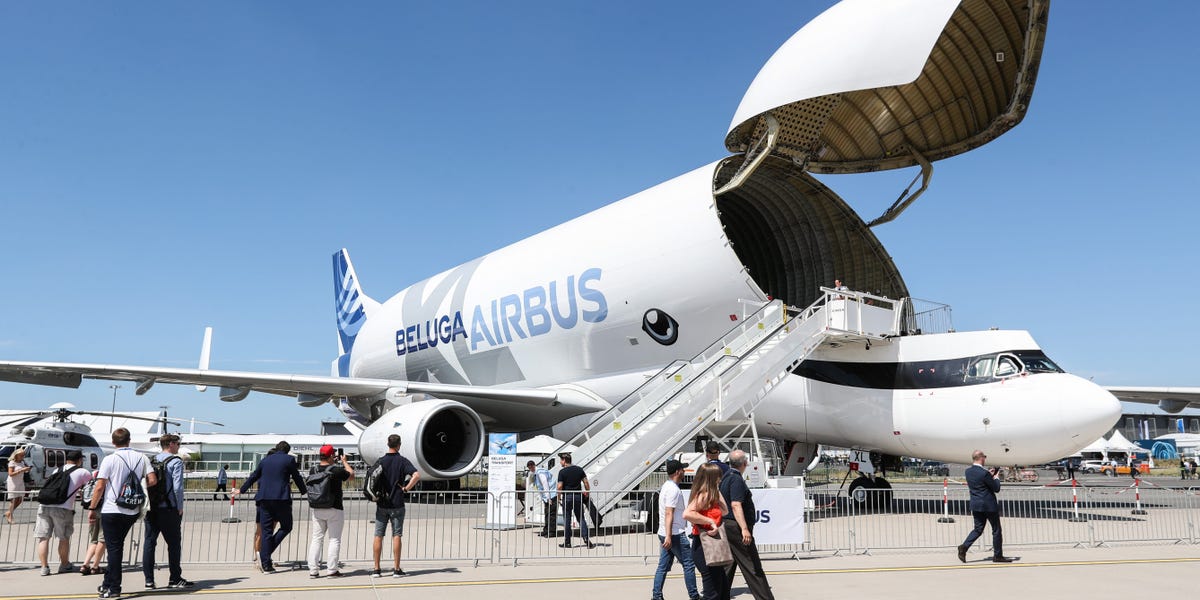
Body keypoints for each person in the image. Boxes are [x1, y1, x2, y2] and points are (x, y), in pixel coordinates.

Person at [89, 427, 157, 599]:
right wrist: (138, 488)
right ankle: (106, 583)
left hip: (112, 509)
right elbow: (152, 480)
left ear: (113, 442)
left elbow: (100, 486)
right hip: (132, 510)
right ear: (129, 440)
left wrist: (92, 508)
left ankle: (115, 587)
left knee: (114, 550)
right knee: (117, 546)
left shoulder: (110, 459)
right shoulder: (142, 458)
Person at [234, 441, 306, 573]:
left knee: (266, 531)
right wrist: (304, 490)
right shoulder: (289, 459)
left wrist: (242, 490)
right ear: (287, 451)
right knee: (286, 526)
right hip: (281, 499)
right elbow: (296, 477)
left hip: (264, 499)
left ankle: (266, 564)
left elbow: (254, 476)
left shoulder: (265, 460)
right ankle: (264, 555)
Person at [719, 450, 775, 600]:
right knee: (752, 566)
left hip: (727, 525)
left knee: (729, 565)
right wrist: (744, 529)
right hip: (736, 528)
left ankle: (718, 595)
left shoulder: (725, 477)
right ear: (744, 463)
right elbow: (736, 505)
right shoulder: (736, 479)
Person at [142, 433, 192, 590]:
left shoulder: (153, 460)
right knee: (174, 544)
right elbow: (177, 486)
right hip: (168, 508)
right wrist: (179, 506)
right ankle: (175, 578)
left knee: (149, 542)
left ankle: (149, 580)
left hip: (152, 508)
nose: (178, 446)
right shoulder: (175, 461)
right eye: (177, 443)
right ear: (171, 444)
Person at [34, 449, 92, 576]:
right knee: (63, 538)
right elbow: (90, 487)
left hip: (44, 505)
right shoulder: (83, 472)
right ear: (80, 460)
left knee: (44, 538)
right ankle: (65, 565)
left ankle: (44, 567)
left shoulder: (57, 470)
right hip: (63, 508)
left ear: (67, 459)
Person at [371, 434, 420, 578]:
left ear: (388, 444)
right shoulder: (402, 461)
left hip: (382, 503)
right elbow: (416, 475)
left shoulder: (381, 461)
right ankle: (397, 569)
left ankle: (376, 569)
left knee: (378, 536)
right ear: (399, 445)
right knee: (396, 535)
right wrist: (406, 488)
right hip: (397, 503)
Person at [651, 459, 699, 600]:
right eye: (683, 469)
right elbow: (669, 513)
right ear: (678, 472)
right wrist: (669, 536)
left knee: (663, 566)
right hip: (674, 534)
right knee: (689, 564)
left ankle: (656, 595)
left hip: (665, 532)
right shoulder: (673, 490)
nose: (684, 472)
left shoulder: (666, 486)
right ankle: (694, 595)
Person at [957, 449, 1013, 564]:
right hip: (989, 505)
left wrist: (990, 475)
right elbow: (996, 488)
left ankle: (964, 547)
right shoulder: (984, 473)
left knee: (978, 529)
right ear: (981, 458)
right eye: (985, 457)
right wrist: (996, 477)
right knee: (996, 530)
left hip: (976, 504)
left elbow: (981, 482)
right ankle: (998, 555)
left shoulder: (968, 472)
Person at [683, 463, 730, 600]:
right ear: (711, 478)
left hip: (711, 545)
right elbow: (687, 514)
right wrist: (709, 521)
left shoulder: (711, 493)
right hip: (704, 546)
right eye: (718, 477)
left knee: (722, 587)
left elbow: (725, 510)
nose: (720, 479)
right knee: (713, 591)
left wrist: (716, 489)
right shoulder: (704, 495)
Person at [307, 445, 353, 578]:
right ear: (332, 456)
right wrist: (344, 461)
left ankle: (313, 570)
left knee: (316, 539)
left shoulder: (313, 469)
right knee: (334, 539)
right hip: (334, 508)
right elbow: (351, 476)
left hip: (317, 507)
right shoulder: (336, 470)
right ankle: (332, 570)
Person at [556, 452, 594, 549]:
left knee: (567, 520)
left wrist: (558, 497)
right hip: (577, 497)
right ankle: (586, 539)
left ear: (564, 460)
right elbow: (586, 483)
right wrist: (587, 493)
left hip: (567, 497)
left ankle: (567, 542)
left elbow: (560, 486)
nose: (560, 462)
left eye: (561, 460)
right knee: (581, 518)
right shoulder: (579, 470)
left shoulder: (562, 472)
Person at [81, 467, 106, 577]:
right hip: (105, 509)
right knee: (102, 539)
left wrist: (91, 508)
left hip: (93, 507)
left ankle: (85, 564)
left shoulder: (94, 474)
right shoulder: (107, 476)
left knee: (93, 539)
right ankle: (95, 566)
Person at [6, 446, 31, 524]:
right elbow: (10, 474)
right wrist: (22, 470)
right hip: (13, 482)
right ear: (16, 455)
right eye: (21, 455)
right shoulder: (12, 462)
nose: (23, 457)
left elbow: (23, 471)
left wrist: (26, 470)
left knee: (20, 499)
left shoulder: (22, 462)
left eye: (23, 455)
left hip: (20, 482)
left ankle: (9, 512)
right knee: (13, 499)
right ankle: (10, 516)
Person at [534, 458, 557, 538]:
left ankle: (552, 532)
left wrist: (548, 497)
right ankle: (546, 530)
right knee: (547, 514)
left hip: (551, 495)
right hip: (547, 496)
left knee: (551, 514)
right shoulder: (537, 472)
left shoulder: (540, 473)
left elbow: (545, 484)